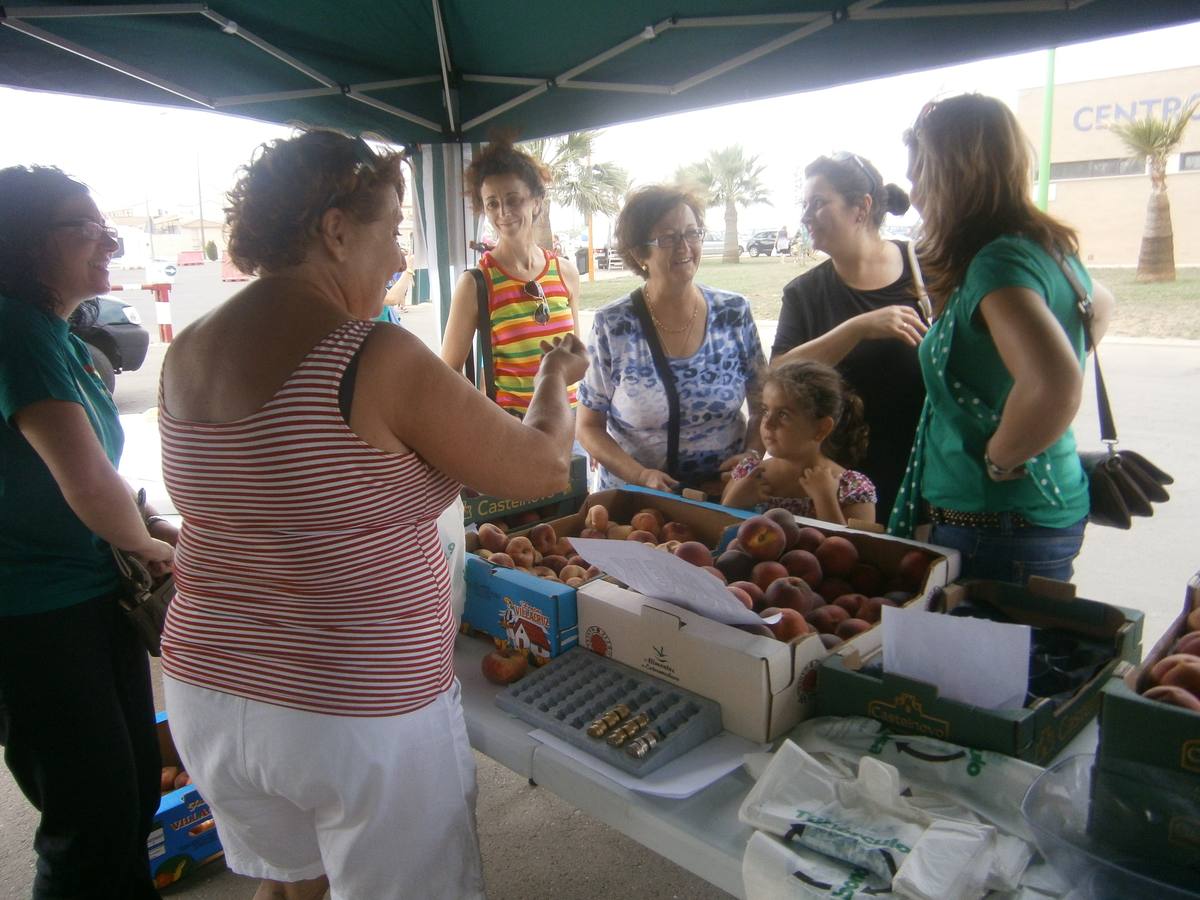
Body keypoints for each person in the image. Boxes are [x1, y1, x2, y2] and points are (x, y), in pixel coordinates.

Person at [156, 131, 587, 900]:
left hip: (210, 691)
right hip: (353, 709)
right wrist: (554, 374)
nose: (397, 258)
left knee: (291, 887)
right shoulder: (371, 355)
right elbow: (543, 463)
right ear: (335, 229)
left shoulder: (186, 351)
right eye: (392, 231)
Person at [0, 165, 176, 899]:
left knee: (132, 791)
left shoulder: (58, 332)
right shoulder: (13, 328)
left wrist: (146, 520)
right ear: (26, 243)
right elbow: (82, 478)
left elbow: (100, 475)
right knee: (90, 817)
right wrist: (157, 547)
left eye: (109, 227)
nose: (108, 240)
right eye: (85, 227)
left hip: (92, 593)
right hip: (32, 614)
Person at [889, 94, 1115, 583]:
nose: (916, 194)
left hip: (997, 524)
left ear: (950, 173)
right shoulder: (1045, 248)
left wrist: (999, 458)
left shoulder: (997, 263)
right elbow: (1102, 304)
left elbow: (1055, 385)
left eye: (918, 176)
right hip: (1032, 515)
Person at [577, 184, 766, 494]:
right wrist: (641, 476)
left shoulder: (734, 313)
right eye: (668, 238)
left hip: (723, 498)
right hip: (639, 506)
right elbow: (587, 427)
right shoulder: (613, 325)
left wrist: (751, 456)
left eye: (692, 233)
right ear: (640, 253)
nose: (684, 247)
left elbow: (763, 406)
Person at [771, 153, 927, 524]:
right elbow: (779, 373)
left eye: (819, 203)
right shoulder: (805, 293)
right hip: (836, 491)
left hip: (923, 476)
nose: (806, 216)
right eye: (804, 205)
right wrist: (856, 328)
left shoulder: (928, 271)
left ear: (862, 207)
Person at [441, 137, 581, 416]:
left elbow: (576, 353)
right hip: (514, 430)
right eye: (492, 204)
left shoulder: (565, 272)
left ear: (537, 203)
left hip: (570, 425)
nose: (503, 212)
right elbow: (448, 370)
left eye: (513, 200)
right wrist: (486, 416)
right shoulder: (477, 283)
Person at [722, 361, 876, 525]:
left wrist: (825, 499)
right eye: (766, 410)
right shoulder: (747, 474)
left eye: (783, 415)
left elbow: (856, 549)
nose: (767, 423)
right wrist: (733, 502)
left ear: (822, 429)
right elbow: (715, 540)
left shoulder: (851, 489)